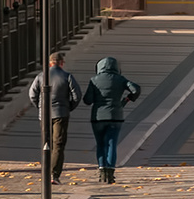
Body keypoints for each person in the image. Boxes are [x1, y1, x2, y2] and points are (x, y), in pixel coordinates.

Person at [82, 56, 141, 184]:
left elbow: (87, 100)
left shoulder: (94, 80)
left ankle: (102, 172)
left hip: (98, 117)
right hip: (115, 116)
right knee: (112, 144)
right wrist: (127, 99)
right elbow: (136, 89)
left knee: (100, 144)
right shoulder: (120, 79)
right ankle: (110, 173)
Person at [27, 52, 81, 185]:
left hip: (44, 114)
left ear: (50, 63)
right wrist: (68, 107)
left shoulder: (41, 76)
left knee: (46, 143)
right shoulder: (67, 76)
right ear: (61, 63)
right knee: (58, 144)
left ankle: (45, 172)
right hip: (61, 113)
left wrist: (40, 106)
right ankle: (54, 174)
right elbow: (77, 95)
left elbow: (32, 94)